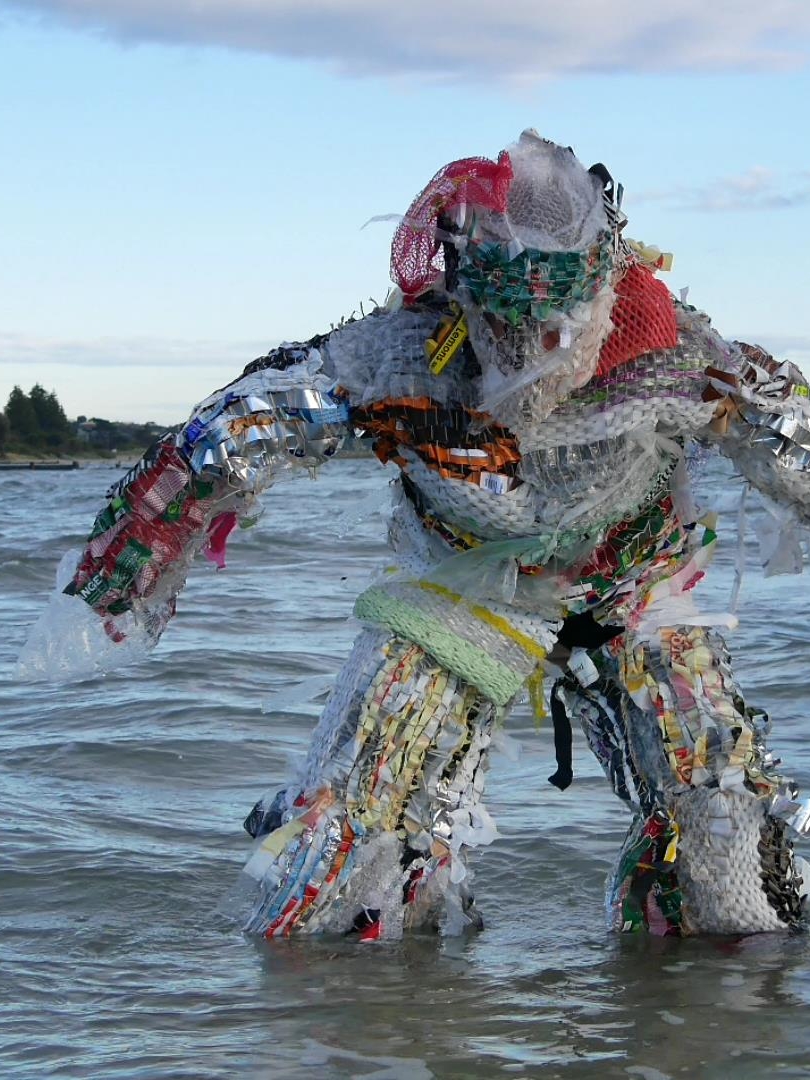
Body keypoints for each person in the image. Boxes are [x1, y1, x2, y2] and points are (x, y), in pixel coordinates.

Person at [19, 130, 810, 939]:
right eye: (510, 315)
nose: (537, 343)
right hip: (458, 588)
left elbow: (794, 438)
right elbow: (231, 432)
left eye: (559, 312)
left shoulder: (678, 358)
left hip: (634, 582)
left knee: (727, 844)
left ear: (603, 281)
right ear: (465, 291)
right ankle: (362, 996)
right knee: (354, 858)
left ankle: (699, 992)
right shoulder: (394, 358)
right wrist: (118, 577)